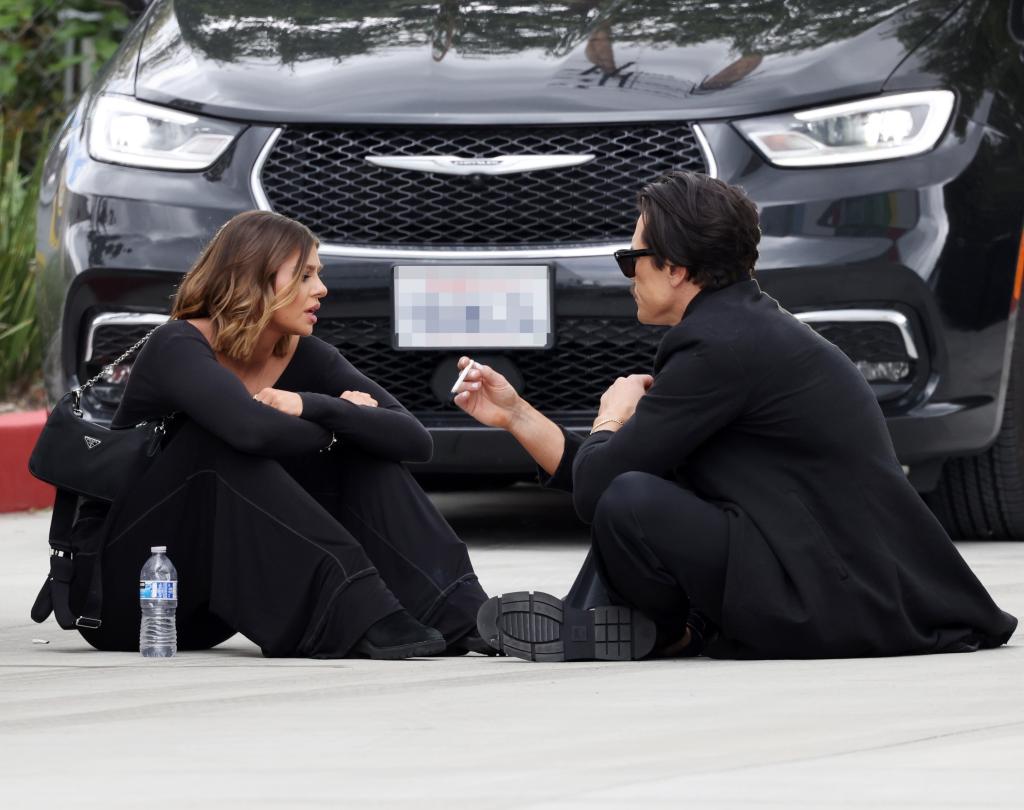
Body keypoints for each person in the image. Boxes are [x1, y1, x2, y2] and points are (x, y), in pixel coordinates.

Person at [454, 170, 1018, 662]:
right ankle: (617, 623)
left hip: (830, 602)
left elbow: (602, 488)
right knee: (637, 486)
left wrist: (612, 415)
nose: (629, 274)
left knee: (632, 499)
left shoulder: (720, 347)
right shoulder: (739, 328)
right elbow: (613, 468)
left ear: (675, 268)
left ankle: (666, 630)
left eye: (632, 258)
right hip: (833, 580)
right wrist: (516, 414)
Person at [71, 210, 492, 659]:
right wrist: (340, 425)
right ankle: (355, 607)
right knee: (215, 445)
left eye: (319, 274)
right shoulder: (178, 345)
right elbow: (249, 430)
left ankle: (458, 610)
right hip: (127, 592)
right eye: (305, 275)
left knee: (365, 452)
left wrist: (314, 405)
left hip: (209, 604)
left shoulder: (307, 355)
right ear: (253, 277)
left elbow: (412, 440)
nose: (321, 289)